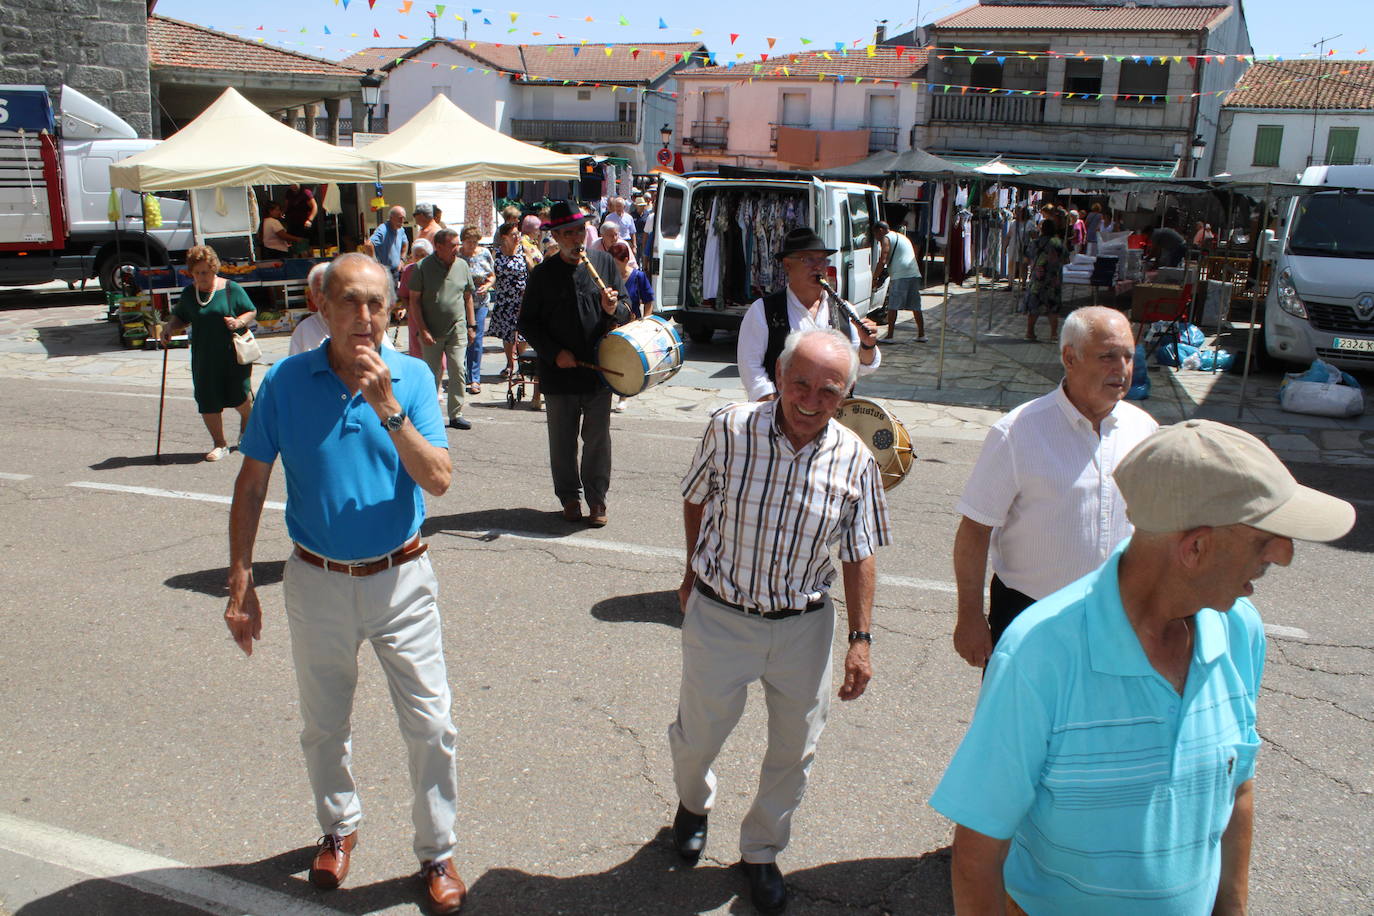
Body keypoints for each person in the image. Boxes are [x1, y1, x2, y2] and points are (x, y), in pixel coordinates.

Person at [931, 418, 1355, 916]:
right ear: (1194, 548)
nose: (1283, 556)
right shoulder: (1040, 653)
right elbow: (977, 857)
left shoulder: (1240, 631)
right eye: (1266, 539)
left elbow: (1237, 786)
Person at [225, 253, 467, 914]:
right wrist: (241, 581)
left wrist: (387, 404)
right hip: (317, 580)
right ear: (324, 309)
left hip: (401, 579)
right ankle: (337, 828)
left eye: (377, 304)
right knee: (323, 723)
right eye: (350, 303)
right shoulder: (285, 382)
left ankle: (436, 851)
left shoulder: (413, 377)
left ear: (393, 311)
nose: (364, 317)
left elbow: (439, 479)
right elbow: (251, 484)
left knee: (432, 724)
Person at [670, 328, 890, 916]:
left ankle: (762, 851)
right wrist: (692, 570)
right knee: (696, 739)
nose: (812, 400)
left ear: (844, 395)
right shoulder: (729, 427)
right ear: (779, 374)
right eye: (801, 384)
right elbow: (695, 496)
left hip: (803, 626)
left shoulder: (856, 459)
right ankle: (694, 803)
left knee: (796, 750)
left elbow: (860, 550)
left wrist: (860, 640)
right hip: (721, 612)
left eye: (829, 390)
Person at [952, 306, 1156, 668]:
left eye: (1128, 356)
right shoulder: (1018, 432)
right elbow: (975, 529)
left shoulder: (1144, 431)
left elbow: (1155, 528)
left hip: (1116, 617)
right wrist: (969, 616)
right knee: (1022, 723)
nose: (1122, 369)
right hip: (1030, 614)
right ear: (1069, 358)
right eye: (1107, 356)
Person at [517, 200, 630, 527]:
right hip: (559, 371)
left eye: (580, 230)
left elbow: (625, 309)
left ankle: (597, 500)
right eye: (568, 233)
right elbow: (528, 323)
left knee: (598, 440)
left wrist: (613, 310)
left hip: (598, 369)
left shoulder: (604, 264)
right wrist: (553, 353)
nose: (576, 238)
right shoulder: (543, 274)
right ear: (556, 236)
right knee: (563, 442)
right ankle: (569, 497)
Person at [736, 227, 880, 402]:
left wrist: (868, 345)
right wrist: (776, 409)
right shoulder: (763, 310)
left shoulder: (843, 309)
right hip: (780, 415)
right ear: (788, 265)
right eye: (808, 259)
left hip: (833, 414)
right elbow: (750, 367)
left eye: (822, 260)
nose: (818, 266)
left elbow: (861, 366)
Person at [161, 244, 255, 462]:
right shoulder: (189, 293)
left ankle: (247, 430)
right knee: (208, 399)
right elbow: (180, 317)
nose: (201, 277)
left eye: (205, 272)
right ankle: (219, 444)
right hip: (204, 357)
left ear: (214, 269)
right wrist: (169, 327)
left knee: (241, 397)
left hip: (233, 355)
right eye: (197, 273)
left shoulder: (231, 289)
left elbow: (251, 310)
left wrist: (239, 321)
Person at [409, 227, 476, 431]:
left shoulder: (462, 265)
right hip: (431, 330)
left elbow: (468, 297)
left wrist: (472, 325)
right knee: (432, 374)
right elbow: (414, 301)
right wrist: (423, 329)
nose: (457, 248)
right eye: (453, 245)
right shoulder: (422, 267)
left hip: (457, 327)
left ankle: (456, 414)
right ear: (438, 247)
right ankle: (429, 414)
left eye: (458, 244)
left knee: (458, 369)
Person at [608, 240, 654, 413]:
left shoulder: (638, 276)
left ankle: (623, 396)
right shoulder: (608, 276)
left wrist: (646, 322)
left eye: (616, 262)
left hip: (631, 325)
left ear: (626, 259)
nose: (613, 266)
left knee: (625, 361)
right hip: (611, 324)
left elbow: (649, 300)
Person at [488, 222, 529, 381]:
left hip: (522, 299)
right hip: (505, 300)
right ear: (504, 237)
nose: (517, 237)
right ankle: (510, 364)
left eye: (517, 234)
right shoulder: (496, 254)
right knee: (507, 334)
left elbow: (535, 266)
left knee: (522, 335)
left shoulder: (523, 251)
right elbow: (491, 275)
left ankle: (523, 365)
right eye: (513, 234)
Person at [874, 221, 926, 342]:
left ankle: (890, 336)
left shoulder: (886, 238)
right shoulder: (901, 236)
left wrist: (875, 277)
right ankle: (922, 334)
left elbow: (883, 259)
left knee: (893, 305)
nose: (876, 238)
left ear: (880, 231)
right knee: (915, 305)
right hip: (913, 273)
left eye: (875, 234)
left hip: (901, 275)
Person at [458, 226, 494, 396]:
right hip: (460, 302)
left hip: (480, 302)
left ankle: (475, 378)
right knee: (462, 338)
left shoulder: (484, 253)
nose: (472, 245)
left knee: (477, 339)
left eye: (475, 242)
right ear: (462, 241)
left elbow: (492, 275)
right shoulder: (457, 255)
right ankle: (462, 373)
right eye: (469, 242)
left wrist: (487, 286)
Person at [1022, 218, 1067, 342]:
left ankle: (1030, 332)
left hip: (1037, 279)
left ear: (1042, 229)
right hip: (1053, 280)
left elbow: (1026, 260)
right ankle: (1053, 334)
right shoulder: (1058, 243)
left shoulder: (1034, 243)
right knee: (1053, 307)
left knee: (1033, 307)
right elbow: (1066, 260)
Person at [400, 238, 434, 358]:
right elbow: (403, 295)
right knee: (417, 350)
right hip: (415, 317)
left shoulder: (436, 269)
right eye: (417, 255)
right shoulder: (408, 271)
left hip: (434, 316)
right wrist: (410, 309)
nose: (420, 258)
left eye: (423, 255)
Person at [287, 262, 329, 356]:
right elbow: (296, 367)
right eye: (319, 291)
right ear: (311, 296)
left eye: (330, 289)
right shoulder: (304, 330)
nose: (324, 296)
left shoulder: (359, 324)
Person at [366, 206, 409, 284]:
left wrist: (402, 260)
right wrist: (374, 263)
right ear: (391, 218)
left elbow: (405, 243)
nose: (402, 221)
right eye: (400, 218)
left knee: (394, 295)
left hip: (395, 272)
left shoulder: (401, 230)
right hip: (384, 273)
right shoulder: (383, 229)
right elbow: (368, 245)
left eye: (403, 218)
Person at [284, 183, 318, 256]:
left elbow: (314, 207)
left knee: (304, 247)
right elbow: (286, 206)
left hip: (304, 224)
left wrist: (310, 220)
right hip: (292, 223)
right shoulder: (289, 192)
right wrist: (284, 213)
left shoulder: (305, 192)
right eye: (291, 184)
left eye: (294, 184)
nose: (293, 186)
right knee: (294, 247)